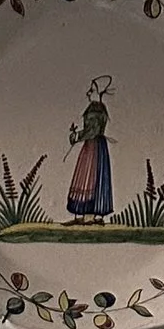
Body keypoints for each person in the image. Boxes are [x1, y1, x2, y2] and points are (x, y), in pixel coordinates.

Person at [66, 77, 114, 224]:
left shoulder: (95, 110)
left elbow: (91, 131)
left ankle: (89, 215)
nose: (88, 92)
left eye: (91, 90)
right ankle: (89, 215)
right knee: (91, 178)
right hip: (95, 146)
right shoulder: (96, 109)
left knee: (90, 177)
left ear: (98, 91)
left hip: (94, 146)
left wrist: (76, 136)